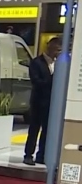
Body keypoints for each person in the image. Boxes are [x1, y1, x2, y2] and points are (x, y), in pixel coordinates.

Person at [24, 37, 61, 166]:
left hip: (52, 102)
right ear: (50, 47)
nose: (58, 52)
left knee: (47, 130)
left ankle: (42, 155)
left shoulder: (58, 64)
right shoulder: (36, 62)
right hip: (38, 102)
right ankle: (28, 155)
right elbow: (36, 81)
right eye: (57, 49)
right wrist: (53, 79)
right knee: (34, 129)